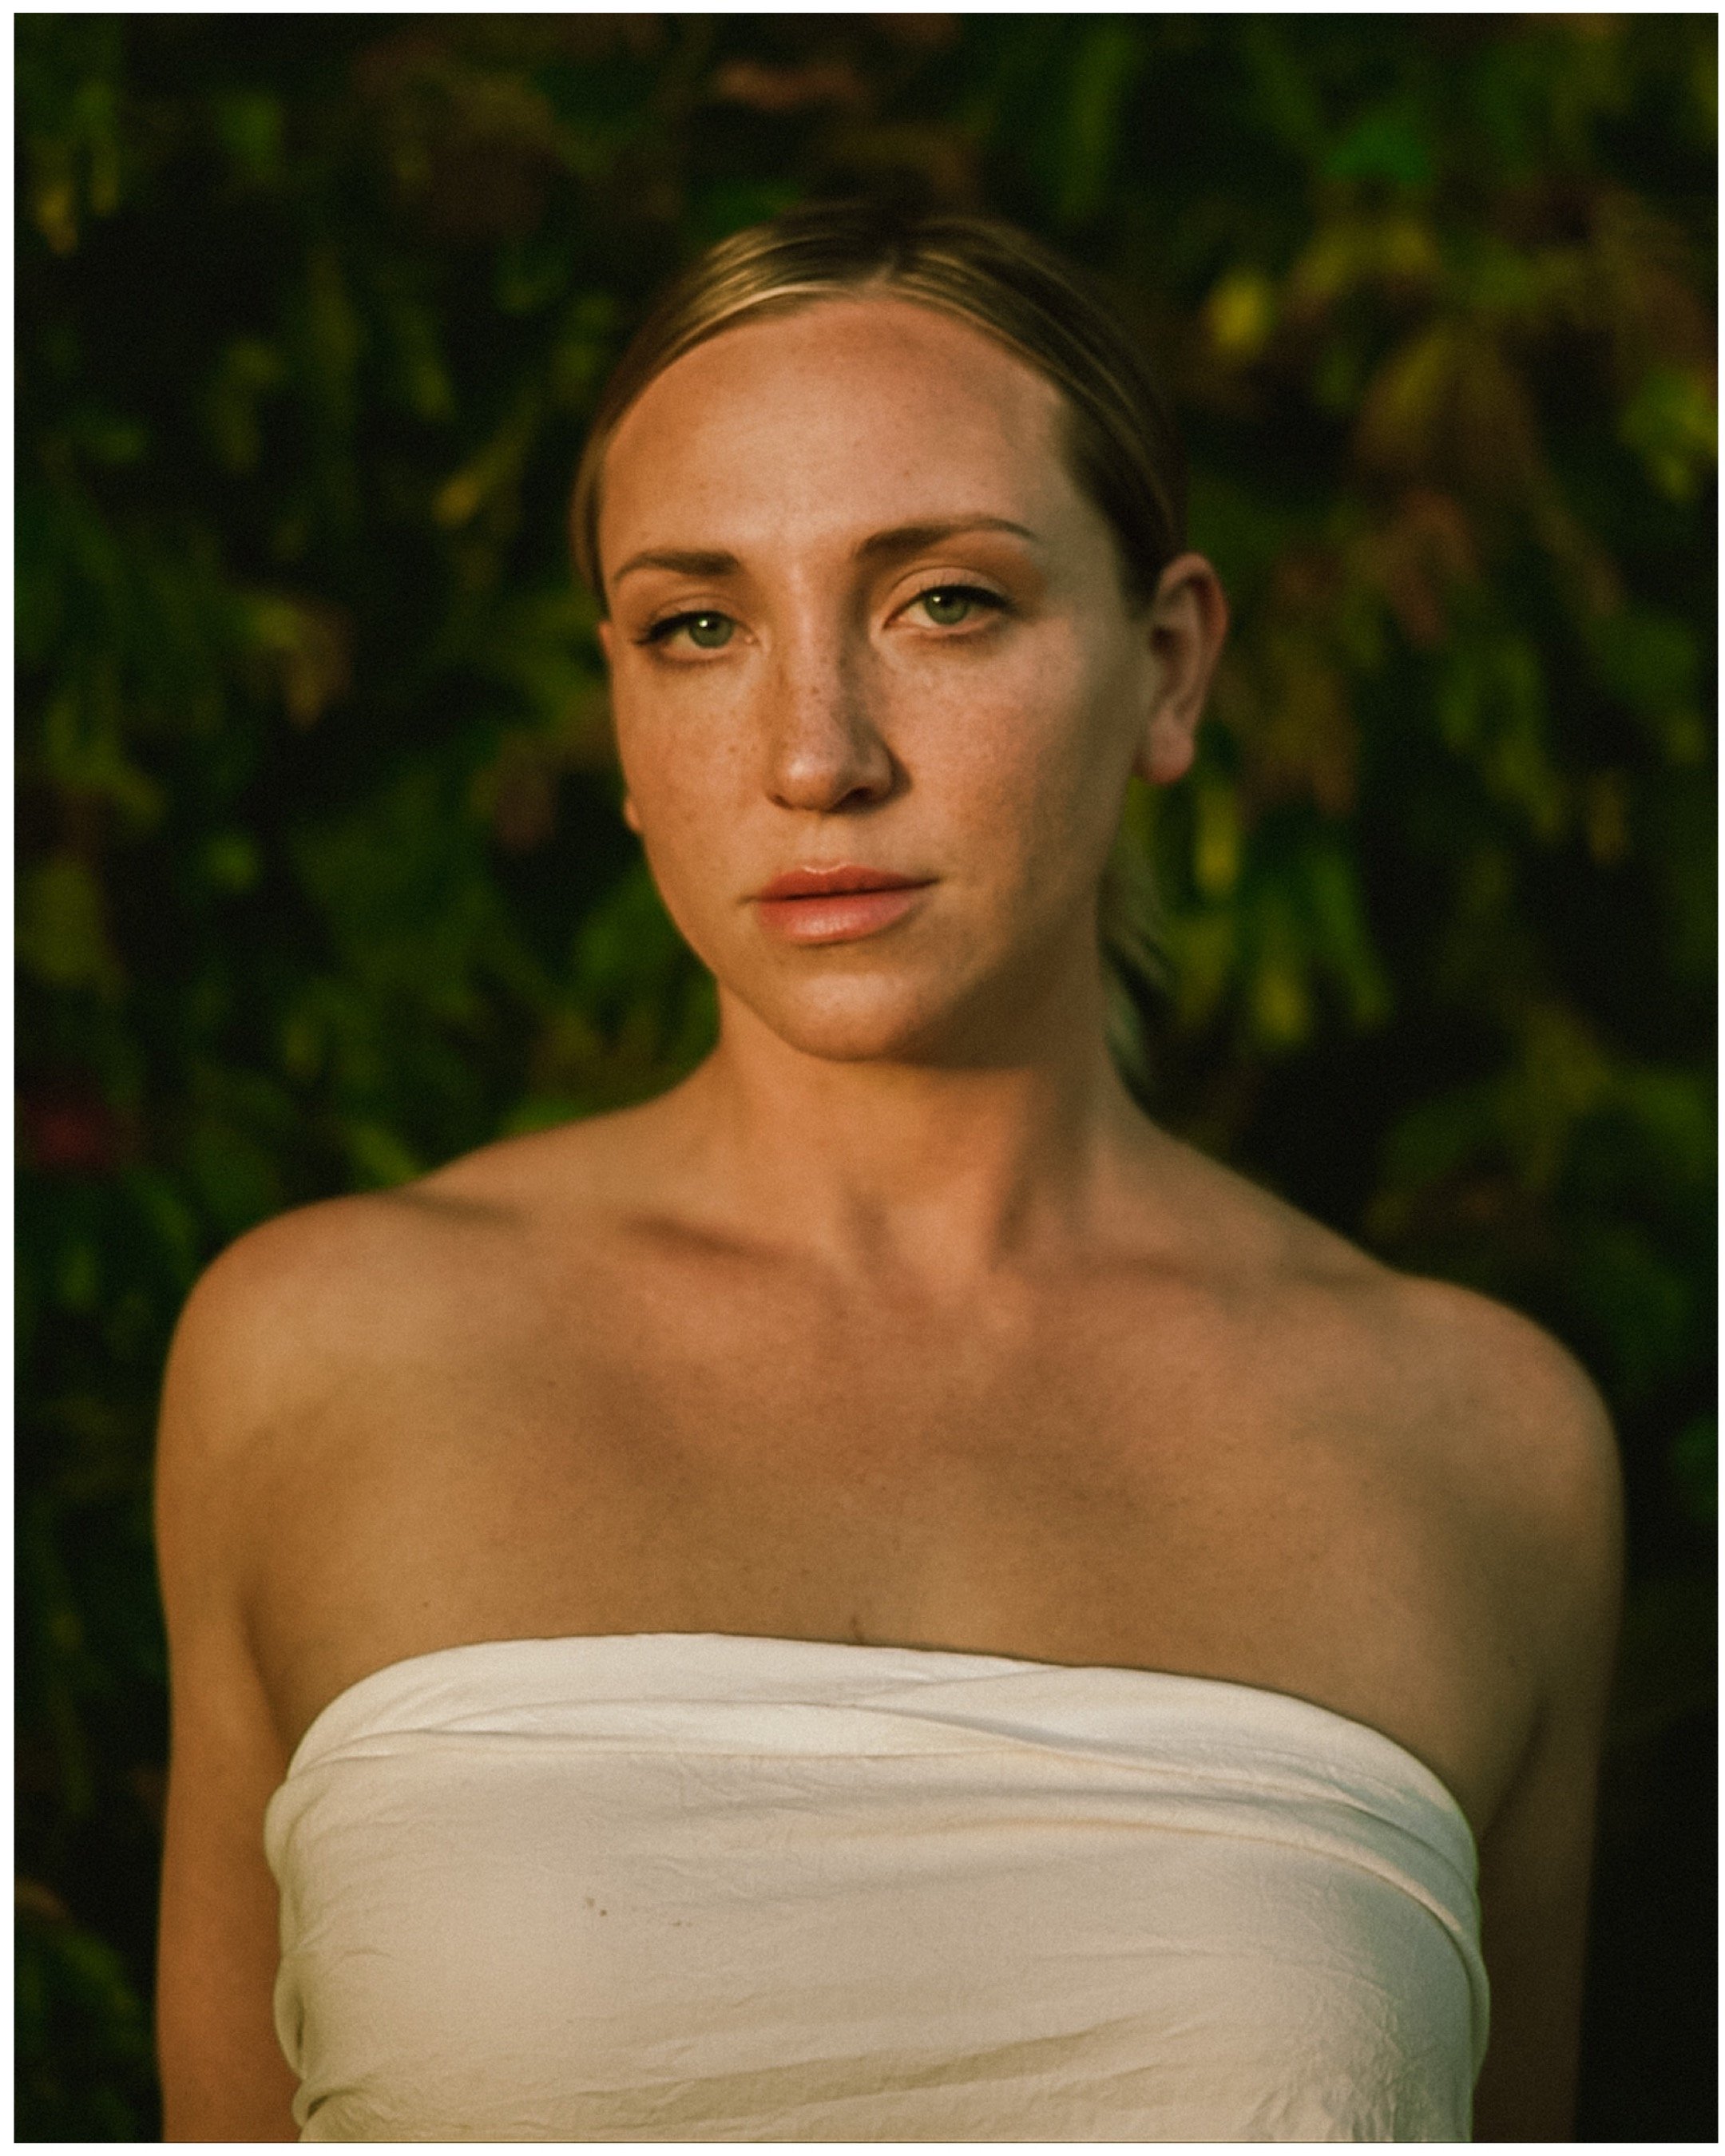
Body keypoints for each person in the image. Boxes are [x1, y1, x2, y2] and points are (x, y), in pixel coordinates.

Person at [153, 201, 1621, 2143]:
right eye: (700, 627)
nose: (816, 754)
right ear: (617, 707)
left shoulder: (1482, 1442)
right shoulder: (319, 1354)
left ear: (1170, 667)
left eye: (945, 601)